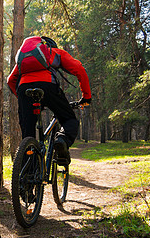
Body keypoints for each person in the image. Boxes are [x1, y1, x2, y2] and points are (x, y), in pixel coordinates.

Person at [7, 36, 91, 164]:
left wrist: (23, 99)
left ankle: (27, 174)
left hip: (24, 89)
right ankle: (62, 140)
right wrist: (86, 97)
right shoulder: (55, 52)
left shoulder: (24, 60)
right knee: (69, 120)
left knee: (27, 132)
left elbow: (10, 80)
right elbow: (79, 69)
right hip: (48, 86)